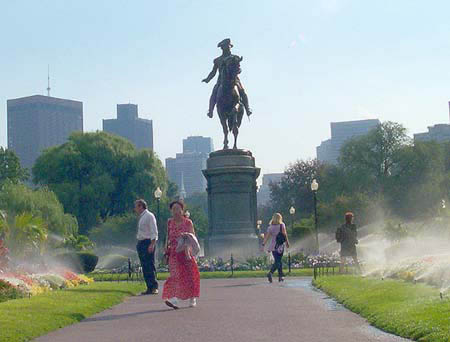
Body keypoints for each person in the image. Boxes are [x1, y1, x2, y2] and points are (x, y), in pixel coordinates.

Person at [162, 201, 200, 309]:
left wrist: (188, 247)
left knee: (190, 275)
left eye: (178, 209)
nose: (176, 211)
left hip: (185, 252)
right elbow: (168, 235)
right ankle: (174, 299)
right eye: (173, 209)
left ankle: (192, 297)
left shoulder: (188, 222)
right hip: (174, 252)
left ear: (182, 210)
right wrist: (166, 247)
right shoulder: (169, 222)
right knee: (175, 275)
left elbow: (193, 238)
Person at [202, 38, 252, 118]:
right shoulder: (218, 60)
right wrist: (207, 79)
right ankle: (210, 111)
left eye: (229, 46)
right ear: (222, 48)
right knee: (214, 93)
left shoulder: (235, 57)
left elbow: (239, 69)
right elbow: (213, 72)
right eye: (226, 46)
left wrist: (238, 71)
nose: (228, 48)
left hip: (234, 80)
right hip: (221, 81)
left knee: (242, 91)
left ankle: (247, 109)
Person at [134, 199, 159, 295]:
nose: (135, 209)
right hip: (141, 242)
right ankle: (149, 286)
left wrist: (152, 244)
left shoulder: (149, 216)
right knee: (144, 266)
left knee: (150, 265)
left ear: (141, 206)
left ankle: (154, 286)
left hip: (148, 242)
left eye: (136, 206)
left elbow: (154, 231)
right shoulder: (142, 217)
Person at [262, 213, 290, 283]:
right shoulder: (282, 225)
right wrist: (287, 242)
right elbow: (284, 234)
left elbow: (267, 237)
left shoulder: (270, 227)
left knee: (278, 261)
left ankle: (280, 276)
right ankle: (271, 273)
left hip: (273, 246)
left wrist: (263, 244)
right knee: (278, 261)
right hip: (280, 246)